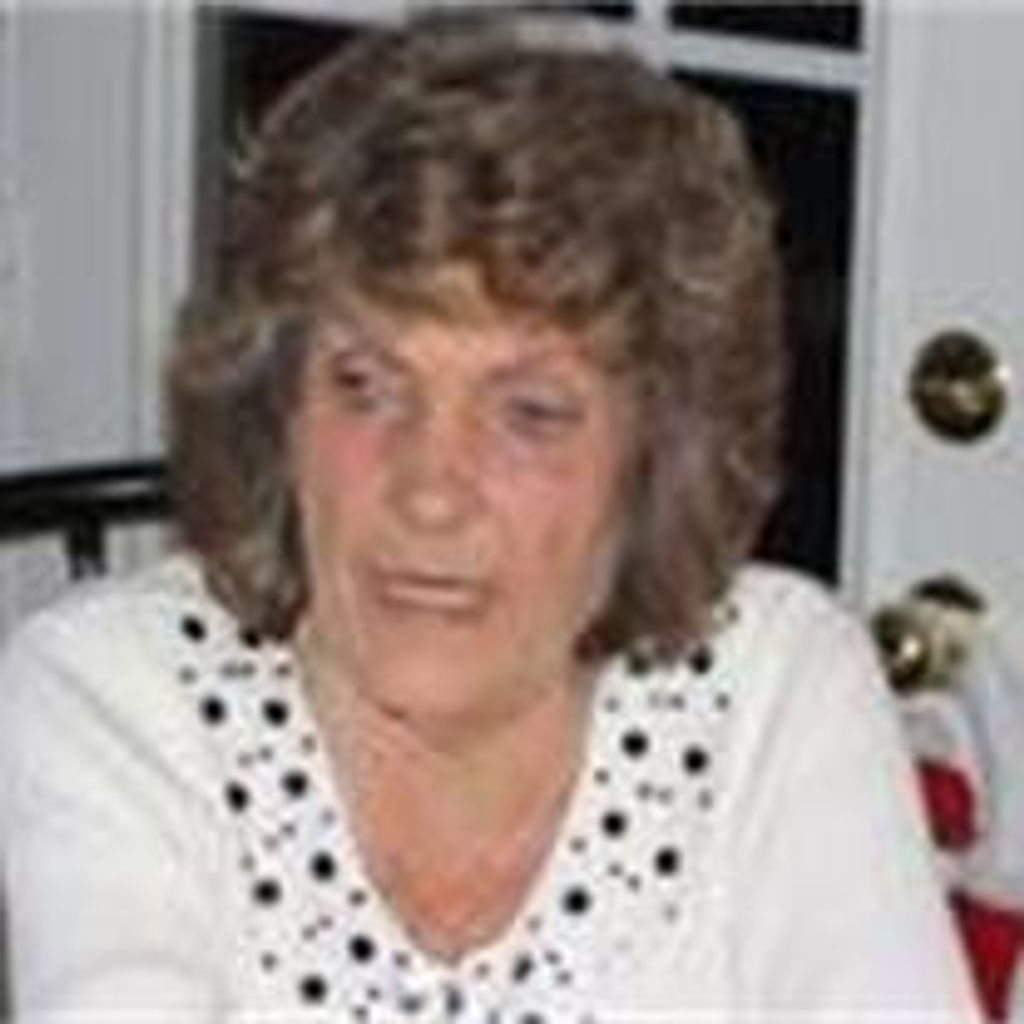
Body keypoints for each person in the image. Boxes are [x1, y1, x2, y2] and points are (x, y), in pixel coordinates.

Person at [0, 15, 980, 1022]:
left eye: (530, 415)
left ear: (656, 451)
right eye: (367, 385)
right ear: (278, 407)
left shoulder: (775, 688)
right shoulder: (113, 696)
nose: (430, 490)